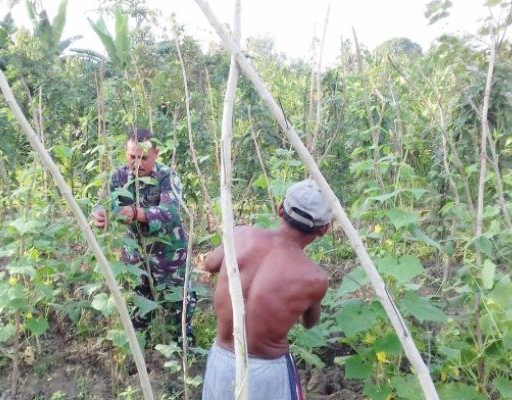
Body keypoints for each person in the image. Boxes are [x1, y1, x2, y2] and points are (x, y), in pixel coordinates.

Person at [201, 178, 333, 400]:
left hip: (222, 363)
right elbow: (309, 322)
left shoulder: (241, 236)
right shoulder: (315, 278)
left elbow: (209, 264)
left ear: (281, 209)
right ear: (324, 229)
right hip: (267, 373)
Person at [91, 127, 196, 344]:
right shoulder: (119, 177)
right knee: (137, 311)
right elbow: (104, 202)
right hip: (135, 257)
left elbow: (170, 212)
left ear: (156, 154)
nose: (137, 163)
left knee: (178, 312)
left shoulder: (167, 177)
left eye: (144, 158)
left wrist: (136, 213)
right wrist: (99, 214)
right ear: (125, 153)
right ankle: (142, 358)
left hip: (169, 258)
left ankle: (183, 357)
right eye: (132, 157)